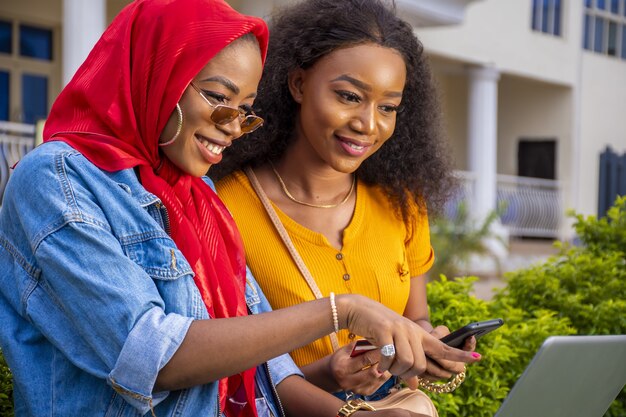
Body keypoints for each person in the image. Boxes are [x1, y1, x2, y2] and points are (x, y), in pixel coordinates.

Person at [0, 0, 480, 416]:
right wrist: (343, 310)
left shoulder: (195, 197)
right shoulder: (58, 177)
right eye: (217, 97)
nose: (233, 126)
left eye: (245, 108)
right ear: (155, 73)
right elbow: (153, 356)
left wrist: (349, 404)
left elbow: (261, 371)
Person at [213, 0, 476, 401]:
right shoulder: (225, 206)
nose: (368, 124)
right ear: (298, 84)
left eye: (387, 107)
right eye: (350, 96)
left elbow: (415, 317)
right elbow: (220, 382)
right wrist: (328, 374)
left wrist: (426, 346)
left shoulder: (402, 203)